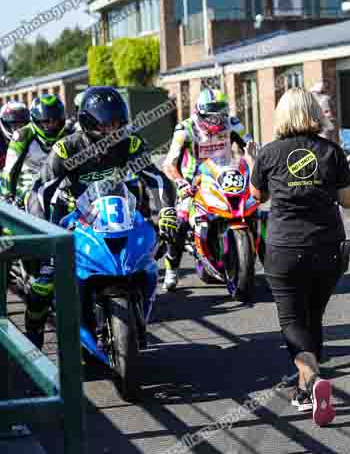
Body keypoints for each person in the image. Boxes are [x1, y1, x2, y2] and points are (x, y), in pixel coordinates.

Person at [25, 86, 178, 349]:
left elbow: (155, 178)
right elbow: (39, 190)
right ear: (87, 122)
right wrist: (43, 230)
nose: (112, 131)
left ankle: (139, 304)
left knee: (149, 257)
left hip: (120, 215)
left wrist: (165, 211)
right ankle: (33, 336)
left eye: (117, 124)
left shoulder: (130, 143)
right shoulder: (66, 149)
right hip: (73, 219)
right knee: (44, 284)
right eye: (105, 125)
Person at [249, 87, 350, 427]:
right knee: (313, 316)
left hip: (284, 249)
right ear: (315, 112)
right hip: (327, 247)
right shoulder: (331, 152)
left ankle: (311, 380)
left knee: (293, 322)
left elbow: (256, 197)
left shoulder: (268, 153)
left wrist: (263, 169)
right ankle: (304, 392)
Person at [160, 88, 254, 291]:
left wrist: (255, 165)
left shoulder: (233, 123)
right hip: (194, 181)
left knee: (254, 207)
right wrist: (180, 182)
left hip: (228, 176)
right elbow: (169, 164)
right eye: (212, 118)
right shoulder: (184, 129)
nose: (217, 123)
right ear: (199, 113)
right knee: (180, 220)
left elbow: (250, 147)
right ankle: (172, 268)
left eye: (221, 117)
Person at [2, 94, 72, 209]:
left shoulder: (68, 135)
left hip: (60, 186)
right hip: (27, 188)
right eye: (46, 122)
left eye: (55, 121)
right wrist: (8, 197)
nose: (51, 125)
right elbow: (9, 170)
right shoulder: (22, 135)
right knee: (38, 206)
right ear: (36, 120)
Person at [0, 101, 30, 172]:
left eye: (22, 124)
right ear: (5, 123)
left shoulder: (33, 137)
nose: (18, 128)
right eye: (14, 124)